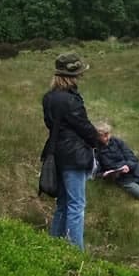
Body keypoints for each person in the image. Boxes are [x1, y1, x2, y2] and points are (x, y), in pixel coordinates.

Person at [42, 53, 101, 250]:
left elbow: (50, 124)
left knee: (63, 203)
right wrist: (97, 141)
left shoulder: (48, 97)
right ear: (74, 75)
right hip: (74, 155)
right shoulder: (71, 100)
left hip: (55, 151)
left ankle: (54, 245)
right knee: (77, 205)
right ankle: (76, 252)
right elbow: (83, 126)